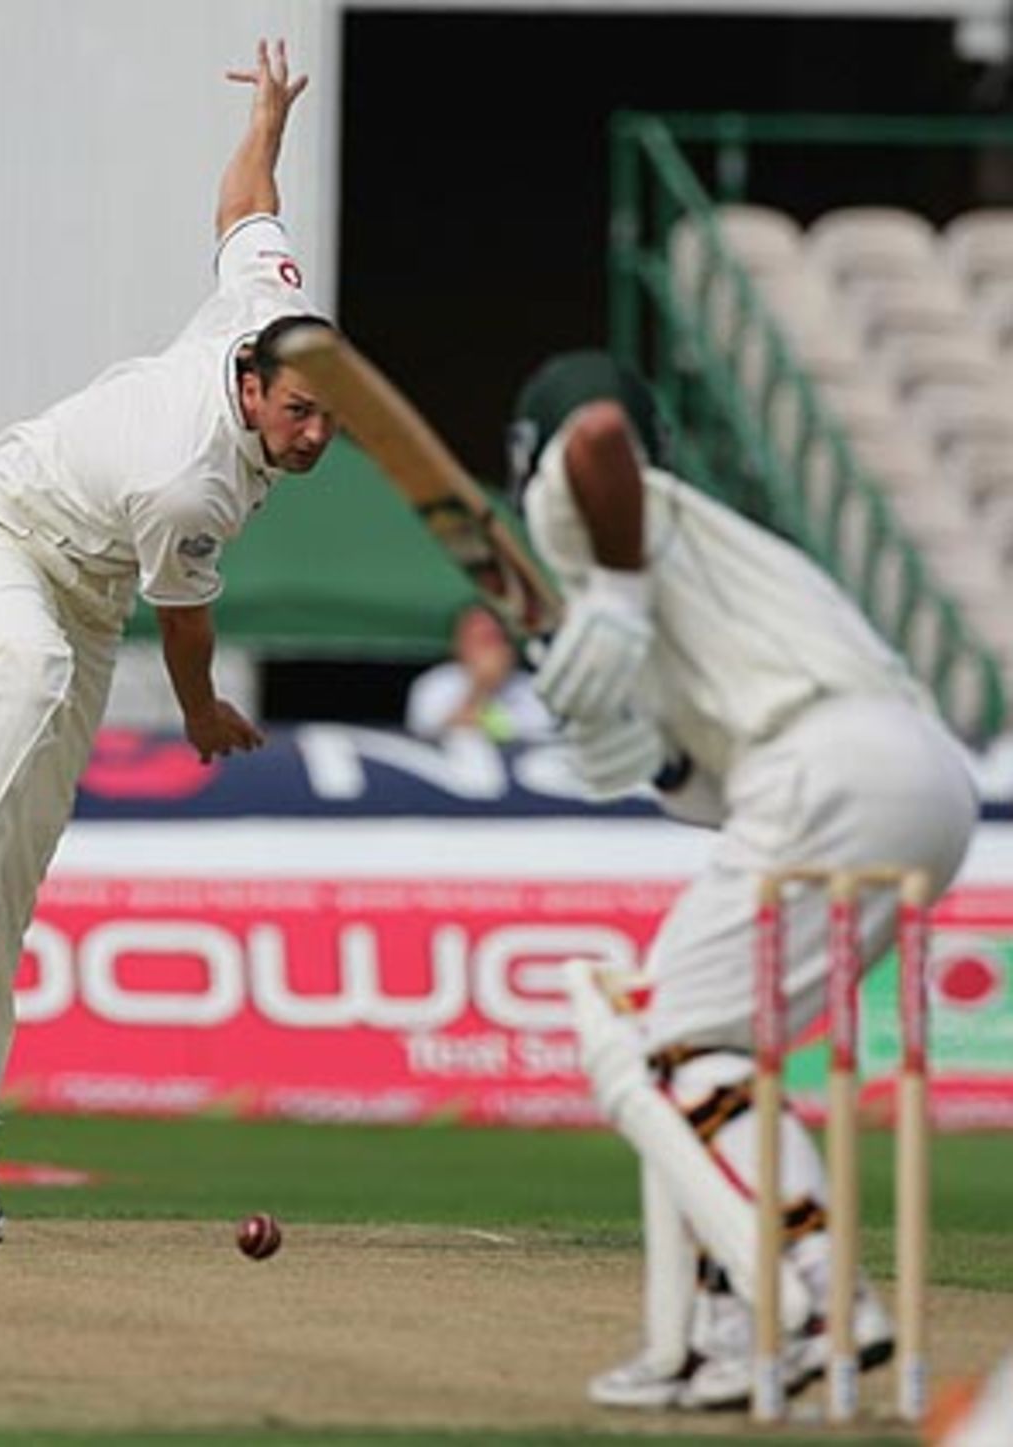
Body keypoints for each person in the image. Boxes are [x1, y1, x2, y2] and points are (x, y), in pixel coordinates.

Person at [0, 39, 336, 1243]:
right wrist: (200, 714)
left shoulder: (268, 310)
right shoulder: (195, 481)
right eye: (298, 414)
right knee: (19, 674)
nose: (316, 432)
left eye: (327, 411)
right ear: (246, 390)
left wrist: (270, 121)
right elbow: (184, 631)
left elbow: (245, 209)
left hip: (81, 600)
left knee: (22, 862)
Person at [508, 349, 978, 1411]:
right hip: (923, 780)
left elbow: (595, 438)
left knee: (667, 1046)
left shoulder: (589, 501)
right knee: (702, 1047)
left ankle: (813, 1297)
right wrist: (645, 755)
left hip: (828, 762)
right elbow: (710, 786)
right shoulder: (721, 570)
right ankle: (728, 1332)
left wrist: (618, 597)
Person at [404, 601, 555, 742]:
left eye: (493, 638)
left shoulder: (534, 689)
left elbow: (537, 732)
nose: (488, 650)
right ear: (459, 645)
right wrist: (480, 687)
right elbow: (430, 736)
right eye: (479, 639)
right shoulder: (432, 686)